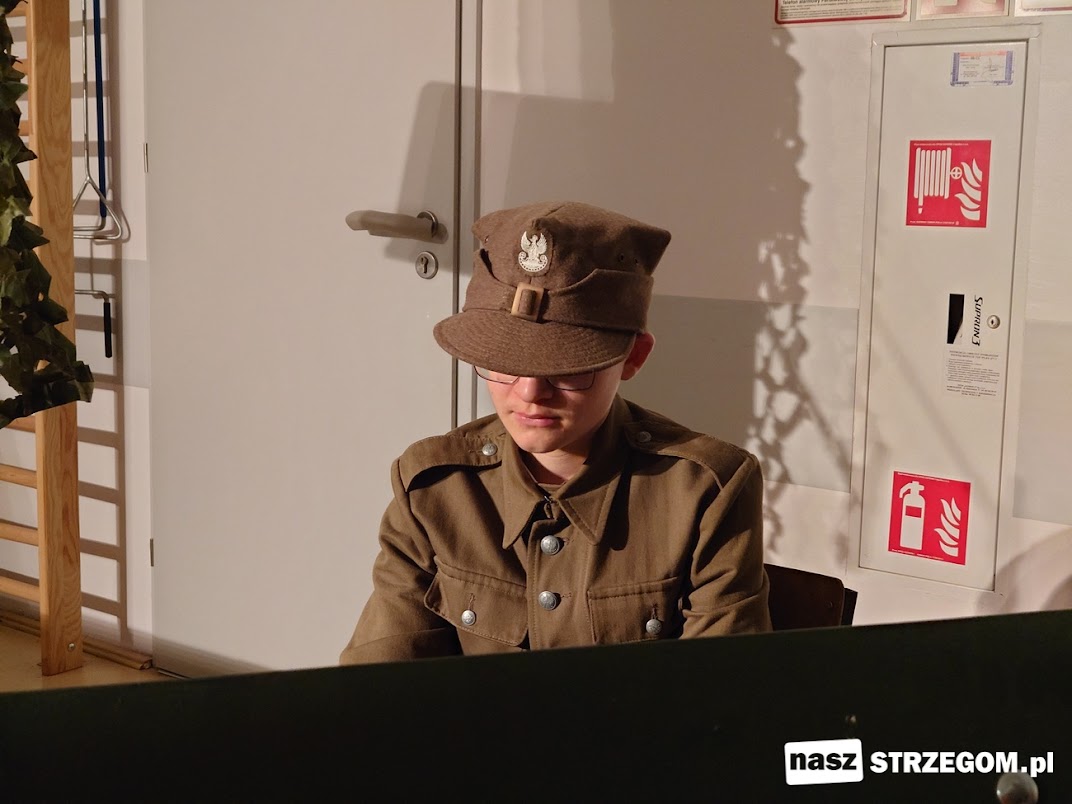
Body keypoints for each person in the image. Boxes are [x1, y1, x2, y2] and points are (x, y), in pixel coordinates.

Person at [340, 201, 771, 664]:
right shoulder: (433, 486)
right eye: (505, 362)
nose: (530, 392)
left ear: (633, 356)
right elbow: (379, 680)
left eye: (565, 367)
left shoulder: (704, 490)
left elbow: (719, 689)